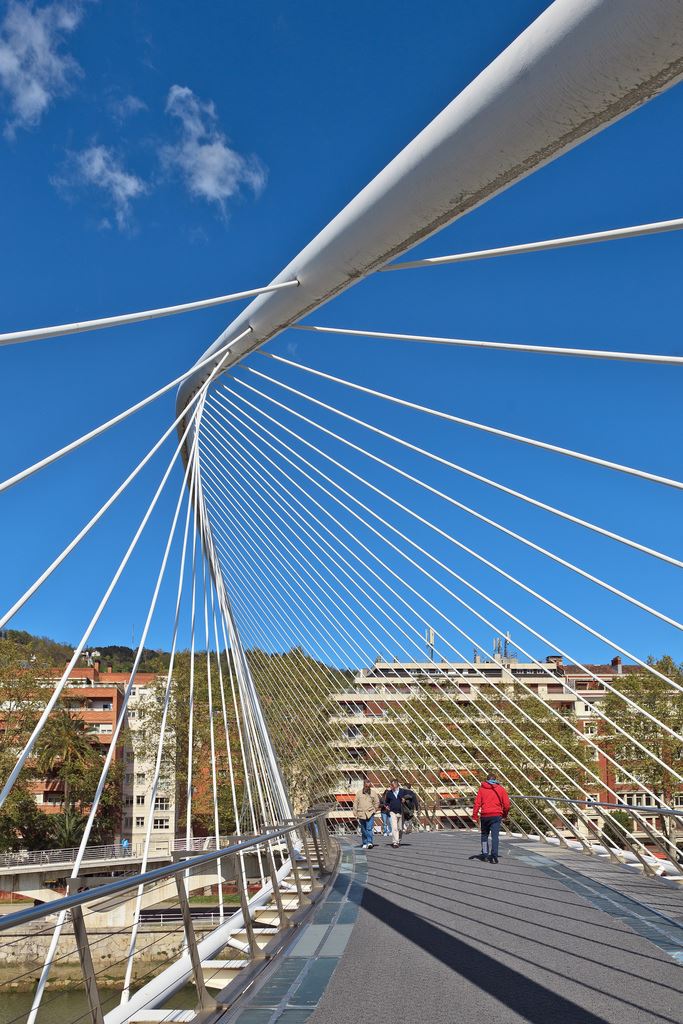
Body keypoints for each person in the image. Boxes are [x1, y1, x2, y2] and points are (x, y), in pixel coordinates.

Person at [471, 772, 510, 863]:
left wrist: (475, 816)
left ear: (487, 780)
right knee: (495, 836)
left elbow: (477, 803)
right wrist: (505, 814)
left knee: (484, 836)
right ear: (495, 780)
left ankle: (485, 854)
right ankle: (494, 856)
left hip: (485, 816)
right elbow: (507, 805)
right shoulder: (501, 789)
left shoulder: (482, 789)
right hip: (496, 816)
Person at [383, 778, 412, 848]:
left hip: (401, 812)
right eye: (390, 785)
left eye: (392, 785)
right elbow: (386, 802)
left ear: (396, 785)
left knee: (400, 828)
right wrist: (386, 806)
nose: (390, 786)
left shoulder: (402, 791)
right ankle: (395, 842)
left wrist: (405, 799)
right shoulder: (389, 793)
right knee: (394, 828)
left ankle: (398, 840)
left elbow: (411, 796)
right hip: (392, 812)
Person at [353, 780, 379, 849]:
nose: (367, 787)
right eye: (366, 786)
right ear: (364, 785)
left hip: (370, 813)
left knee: (369, 828)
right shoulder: (358, 793)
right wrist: (355, 812)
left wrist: (374, 810)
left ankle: (370, 842)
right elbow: (355, 803)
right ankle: (364, 842)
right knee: (363, 829)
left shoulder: (373, 793)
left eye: (369, 786)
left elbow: (377, 802)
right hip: (361, 813)